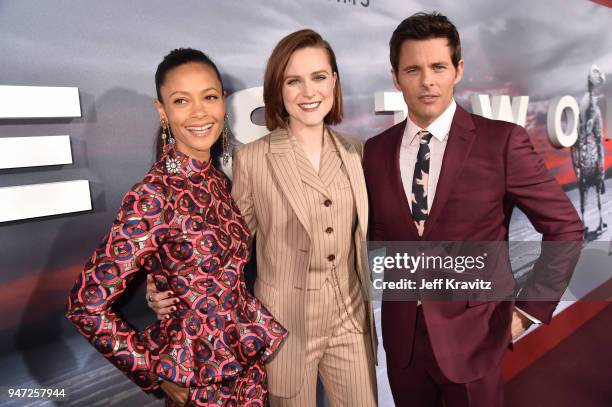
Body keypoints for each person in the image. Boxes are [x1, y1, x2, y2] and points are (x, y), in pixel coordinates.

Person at [363, 12, 584, 406]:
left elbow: (565, 228)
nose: (427, 81)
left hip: (475, 341)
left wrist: (526, 312)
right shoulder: (376, 152)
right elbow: (378, 236)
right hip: (403, 349)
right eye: (413, 69)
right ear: (396, 77)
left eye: (438, 67)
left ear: (458, 70)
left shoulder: (501, 143)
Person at [149, 30, 378, 406]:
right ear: (278, 88)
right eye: (293, 80)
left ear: (334, 82)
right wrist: (165, 288)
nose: (308, 92)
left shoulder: (357, 151)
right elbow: (226, 248)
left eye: (319, 77)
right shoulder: (253, 159)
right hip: (284, 327)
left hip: (351, 320)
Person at [65, 48, 287, 407]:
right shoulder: (152, 195)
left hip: (247, 371)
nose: (200, 112)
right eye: (182, 101)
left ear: (223, 103)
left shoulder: (214, 178)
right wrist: (151, 372)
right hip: (199, 384)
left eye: (209, 97)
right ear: (162, 111)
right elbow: (86, 305)